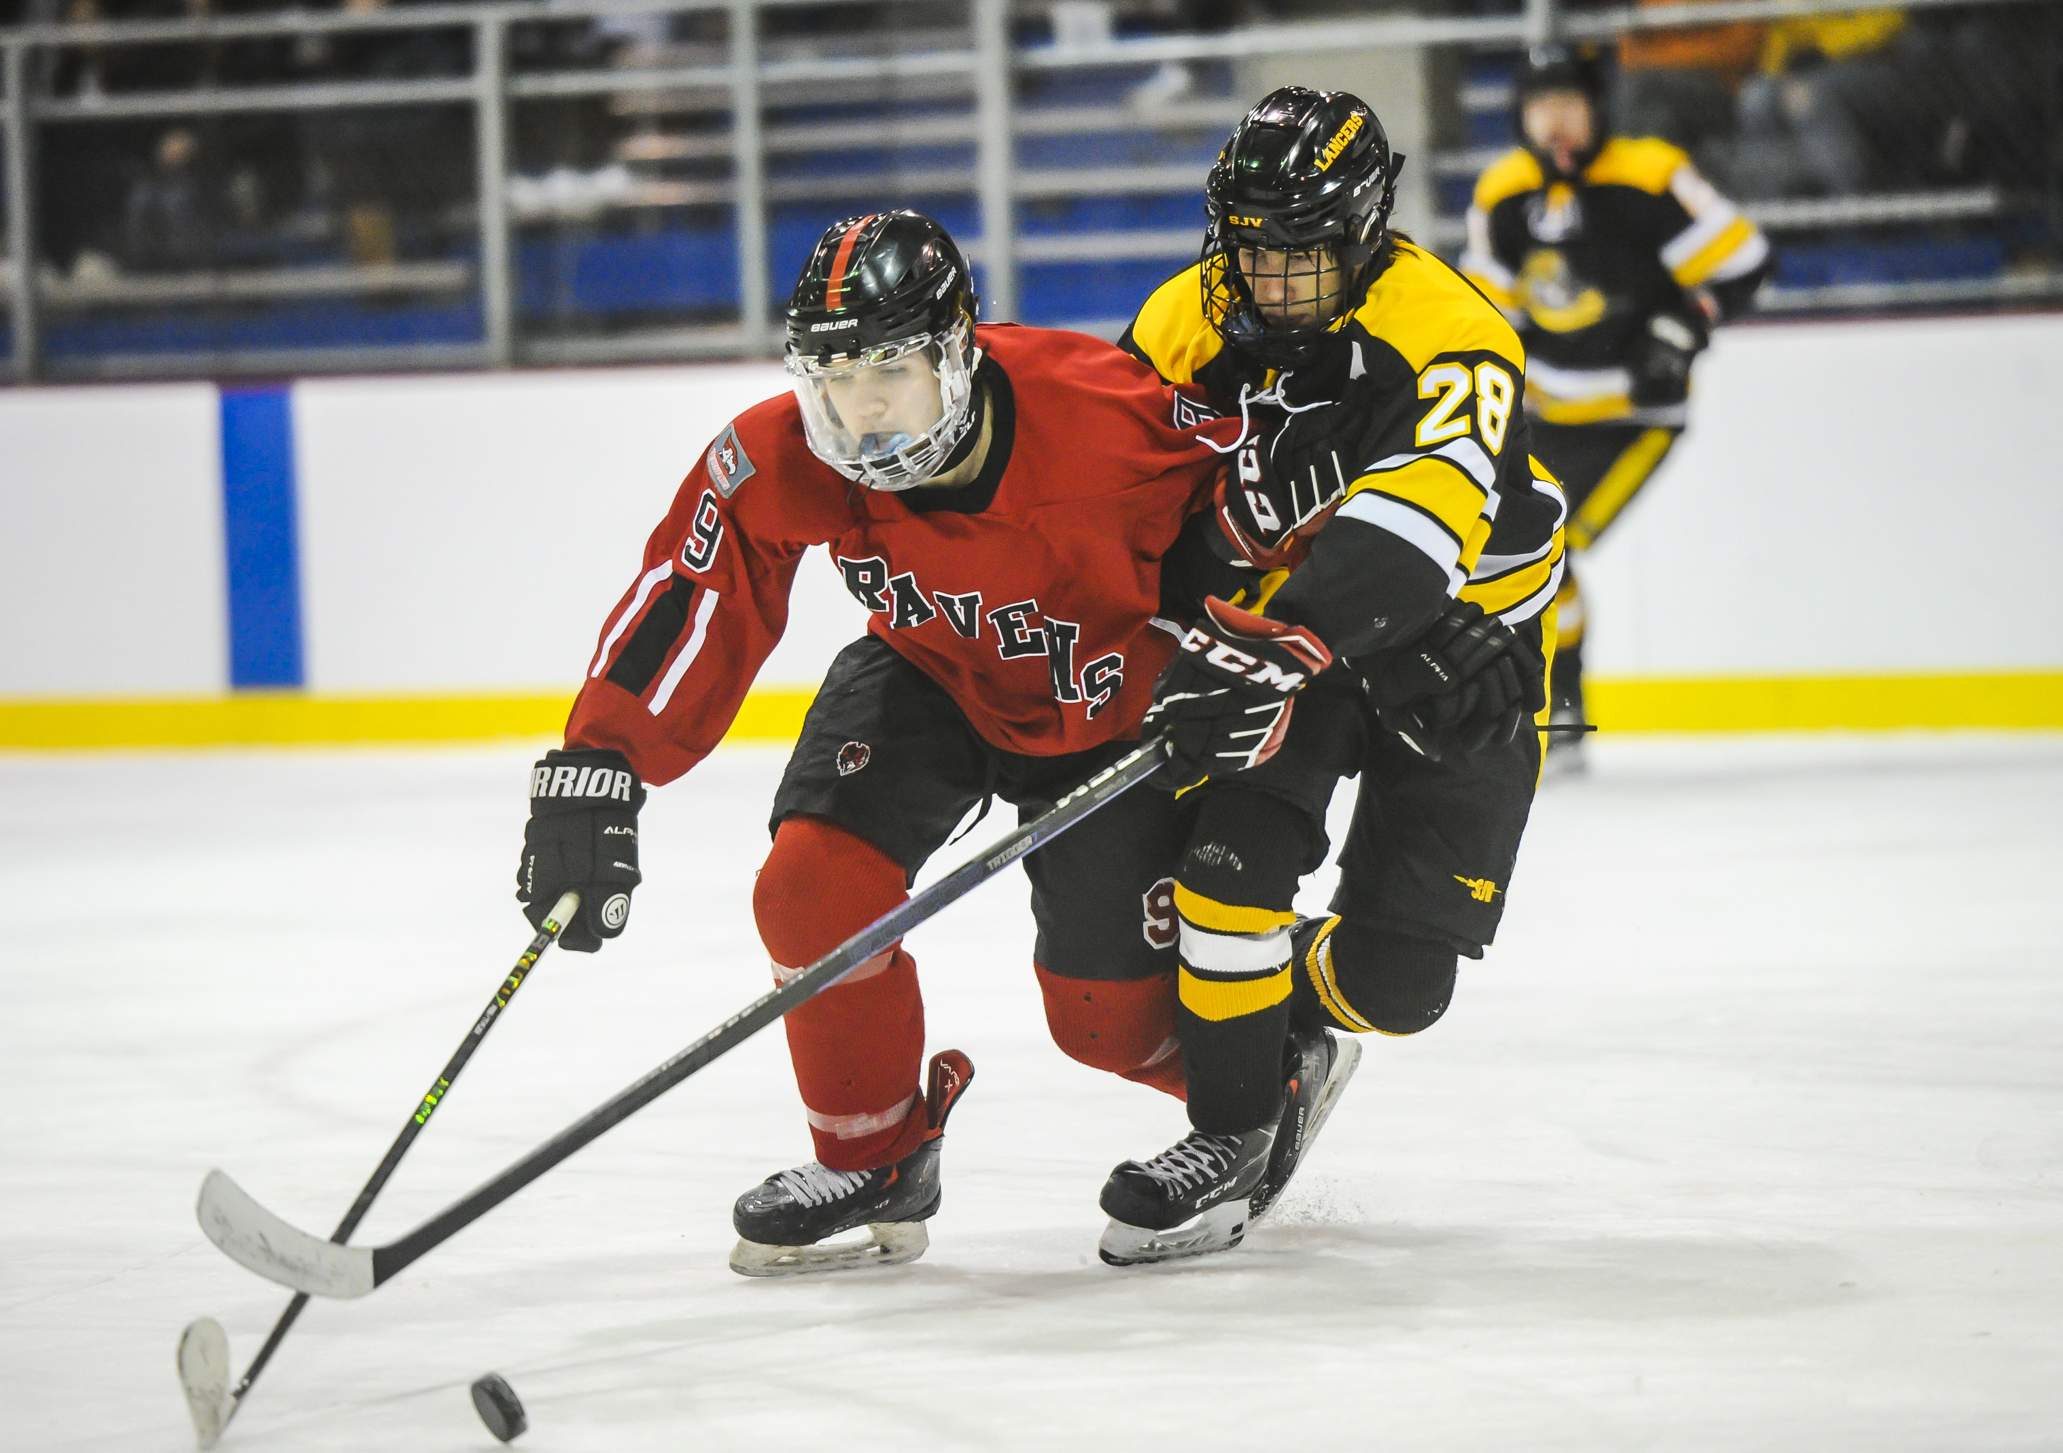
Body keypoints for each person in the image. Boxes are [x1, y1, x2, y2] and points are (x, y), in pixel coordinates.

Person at [511, 209, 1303, 1277]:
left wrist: (1269, 651)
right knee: (808, 890)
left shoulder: (1099, 412)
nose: (857, 409)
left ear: (957, 348)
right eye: (830, 377)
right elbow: (695, 588)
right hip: (932, 671)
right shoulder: (786, 452)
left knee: (1102, 1025)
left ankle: (1269, 1077)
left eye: (887, 370)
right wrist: (599, 761)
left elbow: (1273, 513)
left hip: (1105, 707)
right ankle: (873, 1156)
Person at [1104, 86, 1568, 1262]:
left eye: (1298, 246)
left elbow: (1413, 530)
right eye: (1247, 241)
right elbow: (1110, 501)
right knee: (1224, 878)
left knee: (1399, 984)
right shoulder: (1182, 321)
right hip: (1294, 640)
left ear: (1364, 225)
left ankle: (1293, 1006)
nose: (1266, 272)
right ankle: (1232, 1126)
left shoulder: (1453, 333)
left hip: (1453, 642)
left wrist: (1292, 633)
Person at [1460, 46, 1769, 763]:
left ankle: (1560, 711)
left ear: (1599, 110)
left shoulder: (1650, 175)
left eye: (1570, 103)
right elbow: (1487, 313)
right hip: (1539, 410)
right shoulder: (1502, 192)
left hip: (1633, 416)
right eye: (1541, 107)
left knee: (1548, 549)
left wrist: (1687, 323)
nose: (1556, 121)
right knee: (1503, 549)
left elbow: (1744, 264)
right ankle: (1539, 709)